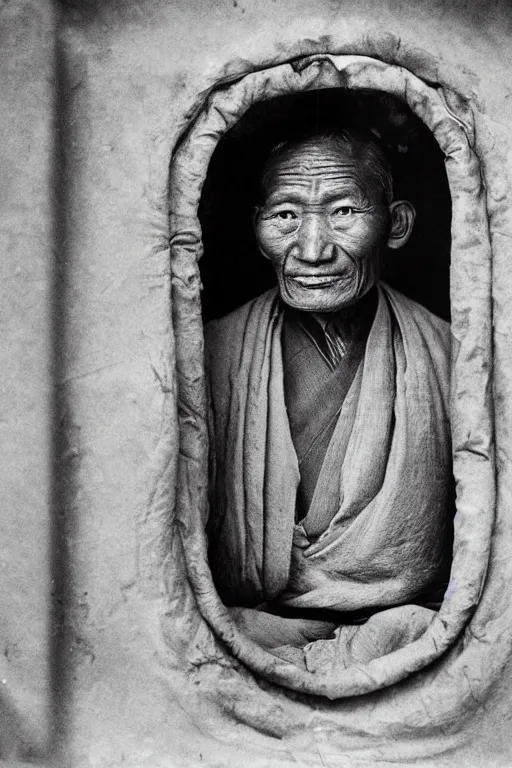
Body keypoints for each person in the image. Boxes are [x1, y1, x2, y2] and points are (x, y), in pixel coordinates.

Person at [204, 129, 453, 663]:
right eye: (286, 216)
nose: (312, 250)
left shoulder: (448, 354)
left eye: (342, 211)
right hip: (245, 632)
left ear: (397, 224)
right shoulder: (210, 353)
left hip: (407, 633)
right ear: (257, 228)